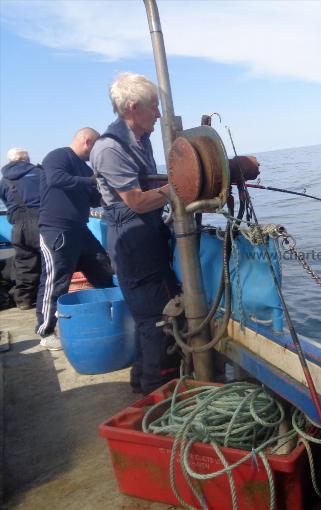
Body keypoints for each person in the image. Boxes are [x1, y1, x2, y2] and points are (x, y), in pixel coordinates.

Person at [90, 72, 179, 394]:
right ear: (132, 106)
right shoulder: (110, 148)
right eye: (153, 106)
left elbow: (151, 186)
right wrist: (180, 185)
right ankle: (154, 395)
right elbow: (138, 202)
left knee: (161, 313)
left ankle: (145, 380)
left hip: (150, 234)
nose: (158, 113)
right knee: (153, 321)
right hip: (131, 237)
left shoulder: (142, 139)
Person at [36, 128, 114, 350]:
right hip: (56, 230)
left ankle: (108, 314)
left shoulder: (84, 168)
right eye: (96, 146)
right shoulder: (58, 156)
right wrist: (92, 181)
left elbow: (92, 199)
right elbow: (55, 178)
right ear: (88, 141)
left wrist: (110, 191)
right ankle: (46, 330)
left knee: (104, 268)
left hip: (81, 230)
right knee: (56, 281)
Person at [0, 148, 42, 309]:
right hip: (42, 223)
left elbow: (6, 201)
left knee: (25, 263)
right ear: (27, 159)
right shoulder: (39, 173)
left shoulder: (4, 181)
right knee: (49, 261)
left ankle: (23, 300)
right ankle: (49, 297)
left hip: (19, 227)